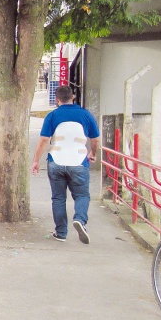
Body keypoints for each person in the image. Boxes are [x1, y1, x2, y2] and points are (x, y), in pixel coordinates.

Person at [31, 85, 100, 244]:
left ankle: (61, 233)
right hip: (79, 162)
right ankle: (80, 220)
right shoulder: (85, 115)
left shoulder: (52, 115)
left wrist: (36, 161)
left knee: (58, 198)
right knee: (82, 195)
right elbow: (95, 139)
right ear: (73, 97)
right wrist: (93, 153)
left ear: (57, 100)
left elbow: (43, 140)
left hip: (56, 161)